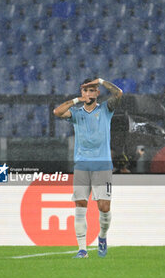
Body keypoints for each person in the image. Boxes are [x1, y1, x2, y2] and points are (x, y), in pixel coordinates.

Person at [53, 78, 123, 258]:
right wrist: (76, 100)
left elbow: (119, 93)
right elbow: (57, 112)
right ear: (82, 93)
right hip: (82, 164)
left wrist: (101, 81)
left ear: (97, 93)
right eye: (86, 91)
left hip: (102, 164)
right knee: (80, 205)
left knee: (104, 207)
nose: (89, 94)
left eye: (92, 90)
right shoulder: (76, 112)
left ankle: (102, 236)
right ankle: (82, 249)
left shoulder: (105, 109)